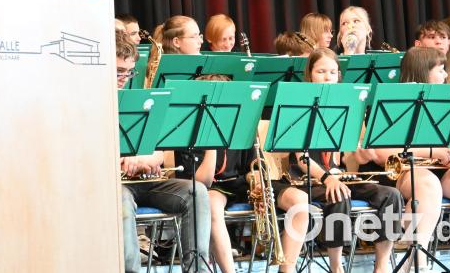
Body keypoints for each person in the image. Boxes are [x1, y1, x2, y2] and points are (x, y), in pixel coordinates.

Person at [359, 46, 450, 273]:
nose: (445, 75)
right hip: (401, 172)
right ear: (423, 71)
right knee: (428, 184)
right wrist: (434, 151)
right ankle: (417, 263)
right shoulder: (391, 101)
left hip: (440, 169)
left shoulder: (447, 102)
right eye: (441, 69)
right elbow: (382, 152)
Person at [178, 74, 310, 273]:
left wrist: (255, 178)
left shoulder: (242, 125)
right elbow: (203, 182)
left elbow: (254, 164)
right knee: (211, 203)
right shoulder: (189, 132)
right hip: (215, 187)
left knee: (300, 199)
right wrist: (212, 144)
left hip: (243, 182)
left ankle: (287, 269)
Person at [290, 48, 402, 273]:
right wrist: (327, 177)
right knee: (337, 193)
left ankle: (381, 266)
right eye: (321, 71)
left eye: (333, 72)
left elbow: (348, 156)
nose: (327, 77)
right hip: (309, 179)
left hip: (337, 175)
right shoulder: (297, 106)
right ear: (310, 74)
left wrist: (360, 154)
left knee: (392, 195)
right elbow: (301, 159)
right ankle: (336, 266)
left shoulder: (347, 107)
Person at [117, 31, 210, 273]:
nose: (124, 78)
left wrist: (144, 158)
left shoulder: (143, 98)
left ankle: (197, 269)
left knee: (196, 192)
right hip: (116, 185)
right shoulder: (88, 101)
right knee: (122, 203)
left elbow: (161, 152)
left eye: (128, 72)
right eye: (118, 71)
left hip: (149, 181)